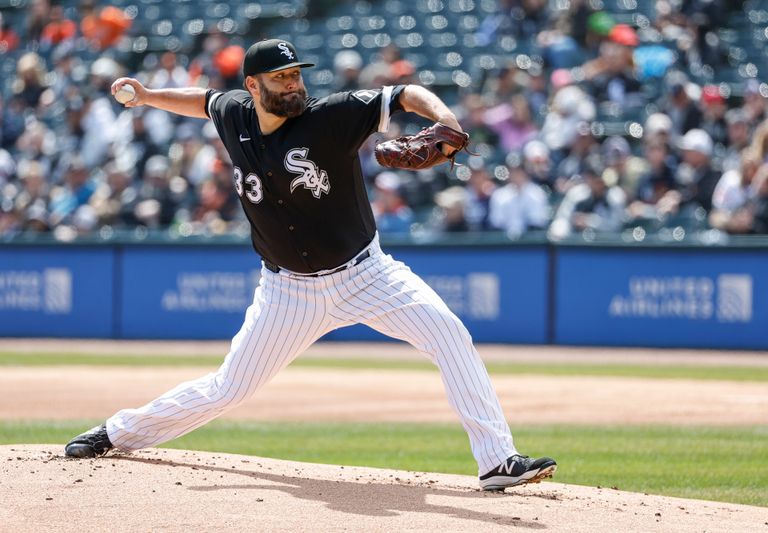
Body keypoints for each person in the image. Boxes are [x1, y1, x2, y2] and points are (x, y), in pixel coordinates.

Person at [63, 38, 557, 491]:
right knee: (228, 388)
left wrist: (448, 124)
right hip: (286, 292)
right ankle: (116, 431)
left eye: (296, 73)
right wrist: (147, 94)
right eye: (281, 77)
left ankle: (498, 461)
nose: (294, 82)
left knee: (450, 336)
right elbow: (203, 101)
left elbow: (406, 94)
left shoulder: (331, 117)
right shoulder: (235, 113)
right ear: (252, 86)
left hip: (366, 274)